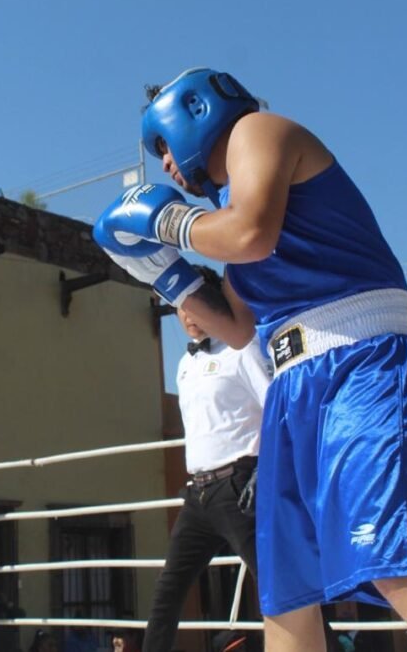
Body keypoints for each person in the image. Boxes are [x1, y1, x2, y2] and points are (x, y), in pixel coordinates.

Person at [93, 67, 407, 651]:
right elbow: (235, 329)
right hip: (292, 387)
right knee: (286, 593)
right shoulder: (231, 220)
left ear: (195, 112)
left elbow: (251, 233)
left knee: (394, 562)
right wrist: (169, 279)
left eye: (163, 148)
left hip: (361, 360)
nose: (167, 169)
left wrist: (166, 220)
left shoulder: (258, 132)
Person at [136, 267, 268, 652]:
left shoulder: (243, 349)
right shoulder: (185, 364)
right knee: (168, 591)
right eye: (181, 308)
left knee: (278, 583)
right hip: (198, 493)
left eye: (197, 306)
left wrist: (265, 469)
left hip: (240, 486)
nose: (189, 316)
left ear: (216, 304)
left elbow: (277, 407)